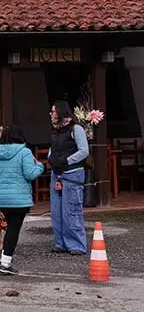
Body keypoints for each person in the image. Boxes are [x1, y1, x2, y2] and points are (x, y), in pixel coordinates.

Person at [0, 125, 44, 275]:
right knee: (13, 230)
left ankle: (4, 258)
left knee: (7, 228)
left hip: (2, 199)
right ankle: (5, 263)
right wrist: (40, 166)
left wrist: (1, 187)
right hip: (20, 200)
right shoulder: (25, 152)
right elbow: (30, 174)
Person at [47, 100, 89, 255]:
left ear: (60, 112)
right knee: (56, 211)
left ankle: (77, 245)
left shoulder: (76, 129)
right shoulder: (55, 131)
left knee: (71, 210)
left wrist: (67, 160)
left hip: (72, 174)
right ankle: (61, 243)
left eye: (53, 111)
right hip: (57, 174)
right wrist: (51, 158)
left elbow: (84, 151)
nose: (51, 114)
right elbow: (52, 148)